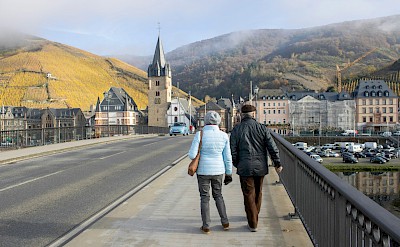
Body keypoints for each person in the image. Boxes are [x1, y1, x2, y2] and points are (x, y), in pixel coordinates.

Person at [229, 104, 283, 232]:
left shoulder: (237, 129)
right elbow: (272, 147)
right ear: (254, 114)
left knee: (248, 194)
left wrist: (237, 163)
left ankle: (253, 222)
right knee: (258, 192)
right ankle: (254, 215)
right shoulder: (262, 128)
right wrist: (277, 163)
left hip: (244, 166)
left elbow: (233, 150)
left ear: (242, 115)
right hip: (260, 166)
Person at [188, 111, 233, 234]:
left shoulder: (200, 134)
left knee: (204, 198)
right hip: (218, 170)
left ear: (206, 121)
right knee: (218, 195)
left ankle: (206, 225)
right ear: (218, 121)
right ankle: (225, 222)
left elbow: (192, 155)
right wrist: (229, 173)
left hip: (203, 171)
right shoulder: (224, 136)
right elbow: (227, 157)